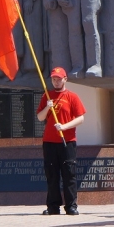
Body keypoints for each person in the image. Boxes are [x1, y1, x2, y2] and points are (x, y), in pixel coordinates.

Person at [37, 67, 86, 216]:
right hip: (50, 142)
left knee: (69, 174)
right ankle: (53, 206)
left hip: (67, 141)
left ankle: (71, 206)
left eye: (59, 79)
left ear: (65, 79)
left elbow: (81, 118)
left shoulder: (72, 96)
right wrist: (47, 107)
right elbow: (40, 117)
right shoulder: (47, 96)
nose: (56, 81)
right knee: (52, 174)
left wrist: (64, 126)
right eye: (53, 79)